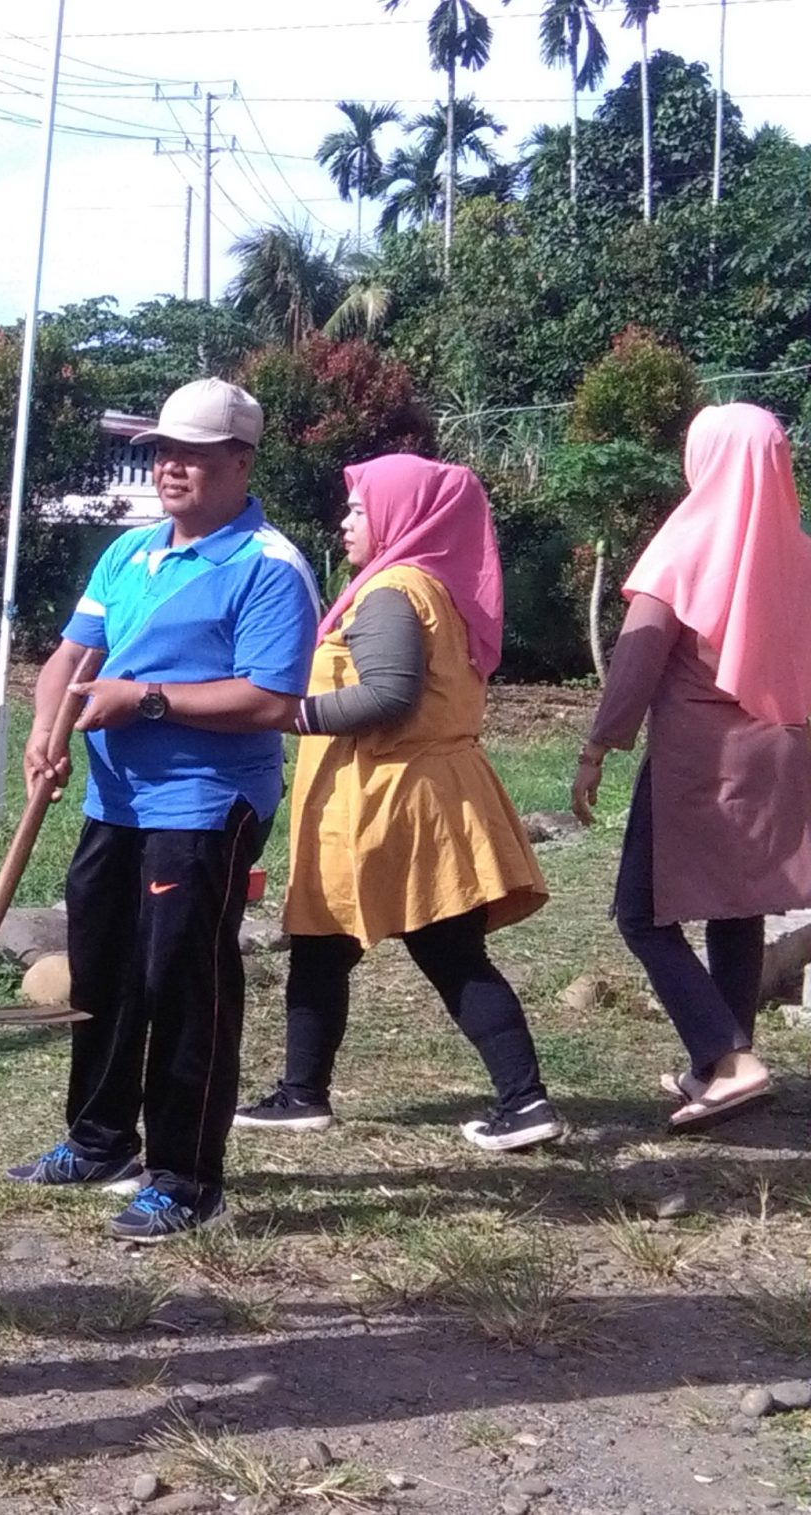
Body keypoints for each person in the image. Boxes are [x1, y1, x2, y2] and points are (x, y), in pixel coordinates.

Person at [2, 377, 318, 1243]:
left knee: (182, 982)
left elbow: (270, 699)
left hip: (206, 804)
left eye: (194, 454)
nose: (171, 468)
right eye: (163, 452)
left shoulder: (271, 569)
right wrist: (44, 723)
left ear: (240, 461)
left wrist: (146, 700)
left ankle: (186, 1175)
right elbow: (72, 655)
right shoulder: (128, 554)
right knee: (101, 969)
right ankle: (100, 1138)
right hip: (115, 797)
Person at [233, 456, 562, 1152]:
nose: (344, 521)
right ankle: (302, 1093)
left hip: (395, 801)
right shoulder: (423, 586)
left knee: (449, 951)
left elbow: (387, 696)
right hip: (403, 793)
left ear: (400, 513)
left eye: (358, 507)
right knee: (323, 945)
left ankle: (526, 1101)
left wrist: (284, 713)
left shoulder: (391, 591)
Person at [574, 403, 811, 1132]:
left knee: (640, 915)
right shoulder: (798, 553)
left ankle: (731, 1057)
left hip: (696, 767)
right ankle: (718, 1068)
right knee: (737, 910)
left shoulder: (682, 547)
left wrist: (596, 748)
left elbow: (638, 661)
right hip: (777, 760)